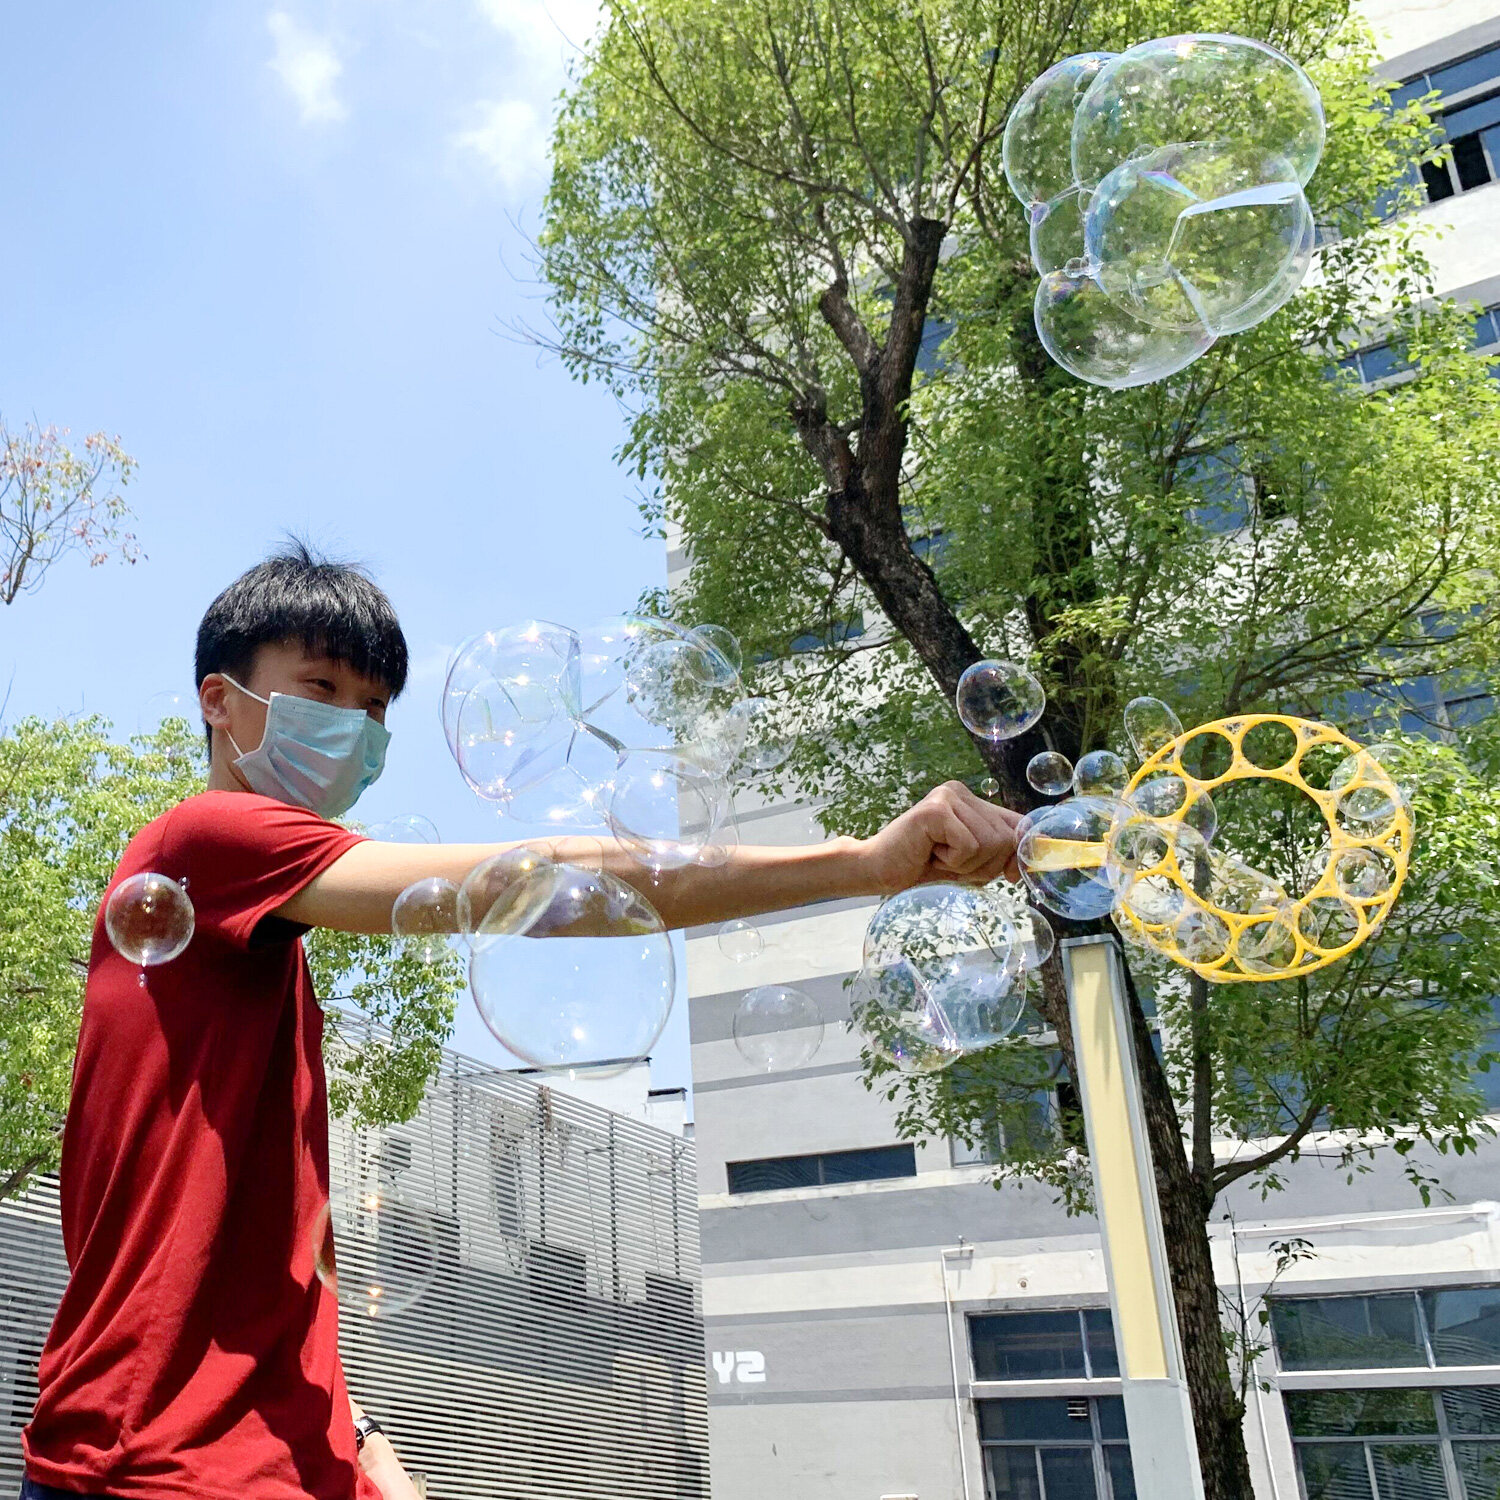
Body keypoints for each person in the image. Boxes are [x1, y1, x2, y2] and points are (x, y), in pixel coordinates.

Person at [22, 543, 1022, 1500]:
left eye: (375, 709)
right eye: (321, 689)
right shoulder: (209, 836)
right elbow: (528, 884)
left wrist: (360, 1444)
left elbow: (278, 1272)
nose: (354, 729)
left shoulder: (256, 958)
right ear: (220, 701)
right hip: (155, 1460)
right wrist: (861, 863)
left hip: (279, 1463)